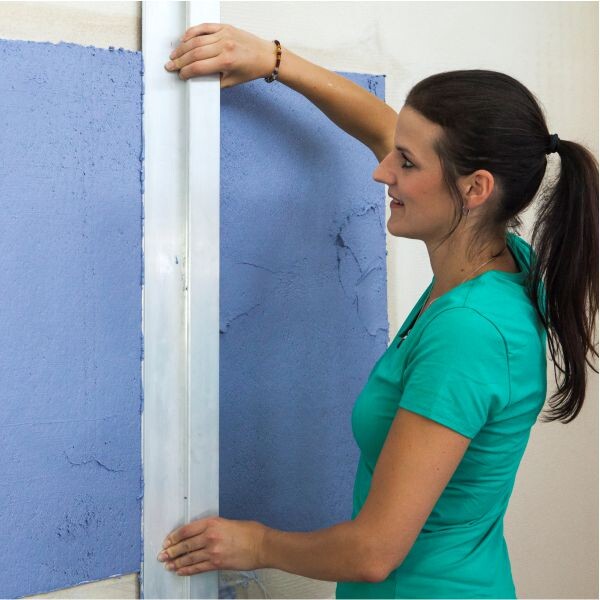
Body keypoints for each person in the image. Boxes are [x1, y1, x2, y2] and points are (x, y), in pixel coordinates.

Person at [158, 22, 599, 599]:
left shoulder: (470, 333)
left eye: (405, 164)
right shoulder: (502, 263)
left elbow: (372, 552)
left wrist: (255, 544)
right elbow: (383, 128)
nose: (382, 171)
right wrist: (272, 60)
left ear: (476, 189)